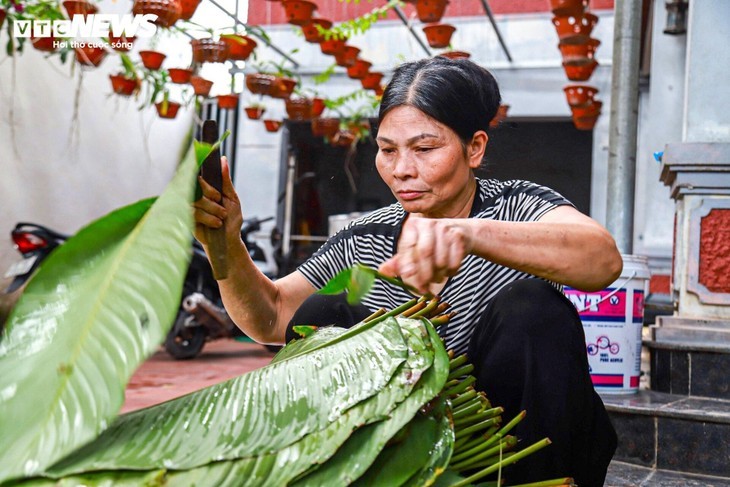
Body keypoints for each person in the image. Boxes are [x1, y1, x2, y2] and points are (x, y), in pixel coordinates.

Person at [193, 57, 622, 486]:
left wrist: (467, 234)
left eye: (424, 149)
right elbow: (271, 316)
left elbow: (602, 259)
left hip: (519, 447)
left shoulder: (517, 208)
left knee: (531, 310)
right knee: (323, 314)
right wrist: (224, 245)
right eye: (387, 150)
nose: (401, 170)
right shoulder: (365, 237)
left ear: (475, 148)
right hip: (412, 453)